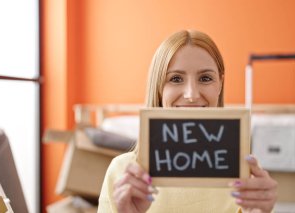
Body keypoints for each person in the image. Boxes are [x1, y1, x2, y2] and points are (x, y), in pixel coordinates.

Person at [97, 30, 277, 213]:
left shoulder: (245, 175)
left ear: (220, 84)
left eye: (205, 78)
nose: (191, 95)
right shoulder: (123, 175)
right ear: (158, 87)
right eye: (175, 79)